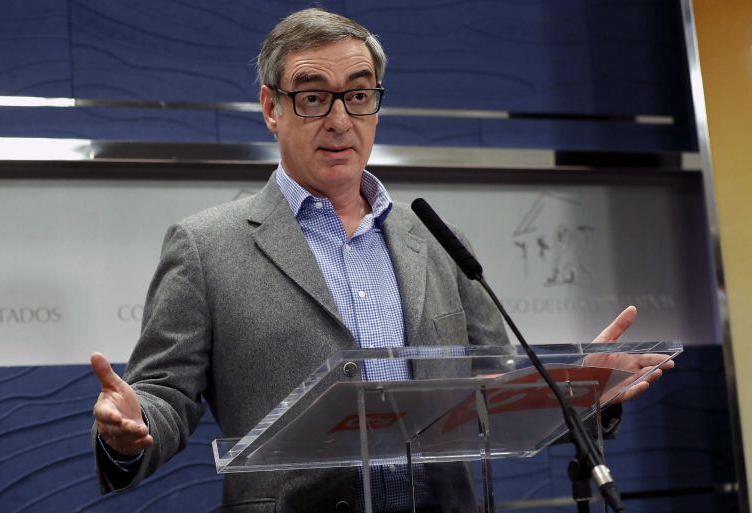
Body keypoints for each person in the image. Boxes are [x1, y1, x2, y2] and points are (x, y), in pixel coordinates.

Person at [90, 8, 672, 513]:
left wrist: (579, 390)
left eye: (359, 95)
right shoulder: (207, 246)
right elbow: (165, 394)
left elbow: (494, 390)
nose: (340, 120)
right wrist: (129, 427)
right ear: (272, 108)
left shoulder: (438, 240)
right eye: (313, 96)